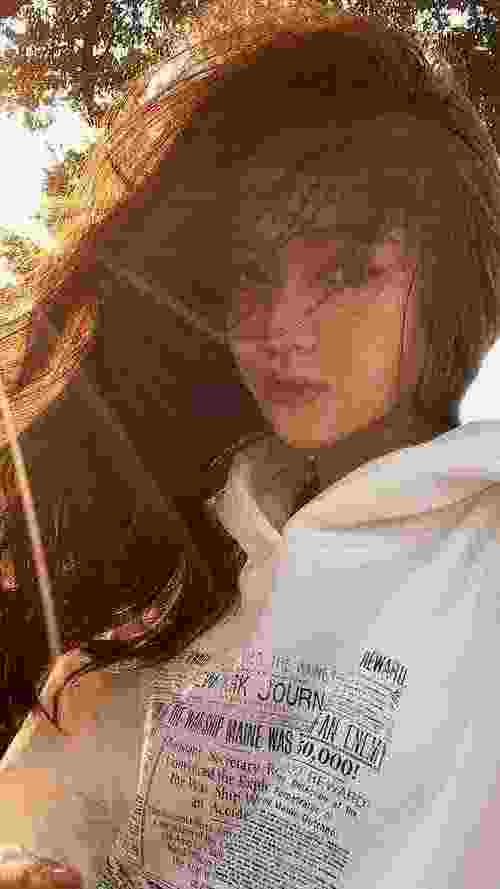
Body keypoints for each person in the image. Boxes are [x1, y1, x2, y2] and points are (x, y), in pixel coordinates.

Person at [1, 0, 500, 886]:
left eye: (345, 269)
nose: (279, 328)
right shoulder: (184, 555)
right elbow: (44, 813)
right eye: (250, 277)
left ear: (446, 277)